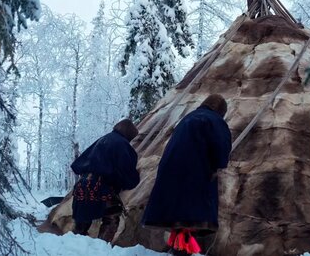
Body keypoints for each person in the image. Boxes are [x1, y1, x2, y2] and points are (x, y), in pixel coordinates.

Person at [142, 94, 232, 256]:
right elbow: (220, 149)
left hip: (170, 171)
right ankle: (182, 251)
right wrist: (219, 164)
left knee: (179, 216)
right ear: (220, 110)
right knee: (190, 216)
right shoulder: (215, 121)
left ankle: (178, 248)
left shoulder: (187, 118)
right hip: (194, 174)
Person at [71, 118, 140, 242]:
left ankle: (75, 247)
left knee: (82, 223)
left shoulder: (103, 139)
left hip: (82, 186)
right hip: (100, 188)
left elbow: (78, 164)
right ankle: (102, 248)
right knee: (112, 217)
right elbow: (126, 171)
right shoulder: (122, 144)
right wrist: (133, 179)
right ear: (129, 133)